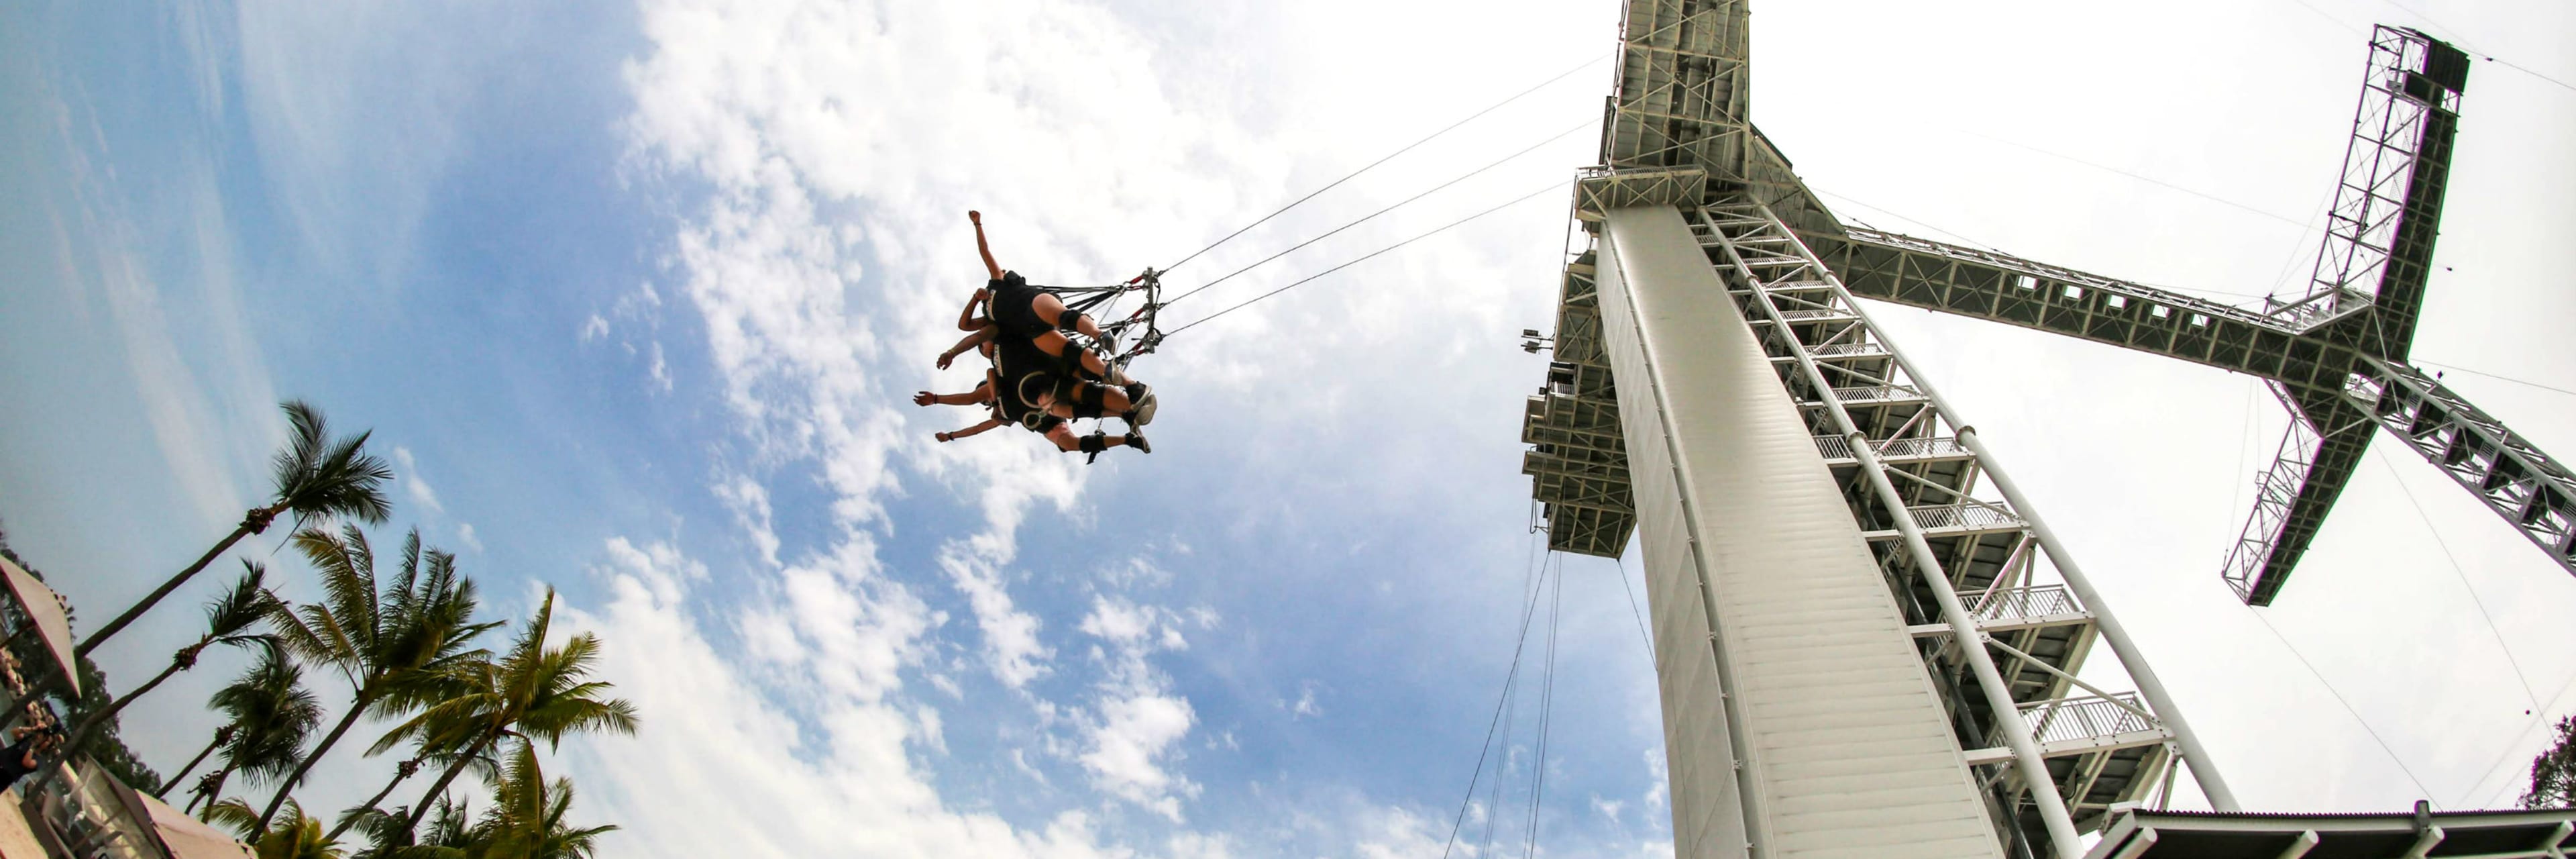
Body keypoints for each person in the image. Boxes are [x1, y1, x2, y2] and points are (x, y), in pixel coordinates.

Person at [959, 211, 1157, 423]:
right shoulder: (995, 328)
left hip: (1033, 305)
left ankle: (1100, 335)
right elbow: (965, 326)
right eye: (982, 348)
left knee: (1059, 316)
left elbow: (985, 252)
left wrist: (978, 225)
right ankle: (1132, 399)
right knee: (1071, 366)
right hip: (1035, 339)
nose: (984, 346)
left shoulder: (997, 282)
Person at [0, 725, 61, 791]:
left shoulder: (40, 760)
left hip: (6, 776)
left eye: (46, 740)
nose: (42, 737)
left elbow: (26, 763)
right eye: (43, 735)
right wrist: (32, 729)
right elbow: (14, 732)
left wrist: (33, 747)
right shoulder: (29, 740)